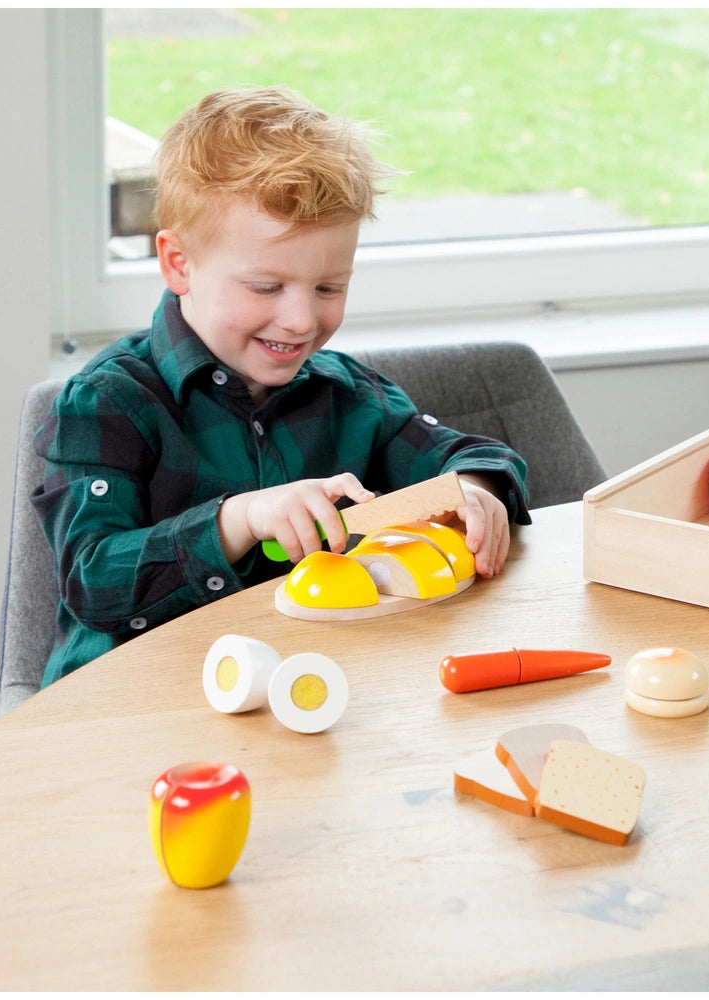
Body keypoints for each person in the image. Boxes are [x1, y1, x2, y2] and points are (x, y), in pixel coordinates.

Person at [32, 87, 530, 688]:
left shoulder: (349, 395)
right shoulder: (107, 403)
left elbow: (473, 456)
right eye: (267, 288)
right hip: (134, 703)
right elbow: (92, 583)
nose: (300, 320)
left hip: (308, 688)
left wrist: (475, 490)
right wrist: (239, 520)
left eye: (328, 288)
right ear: (179, 263)